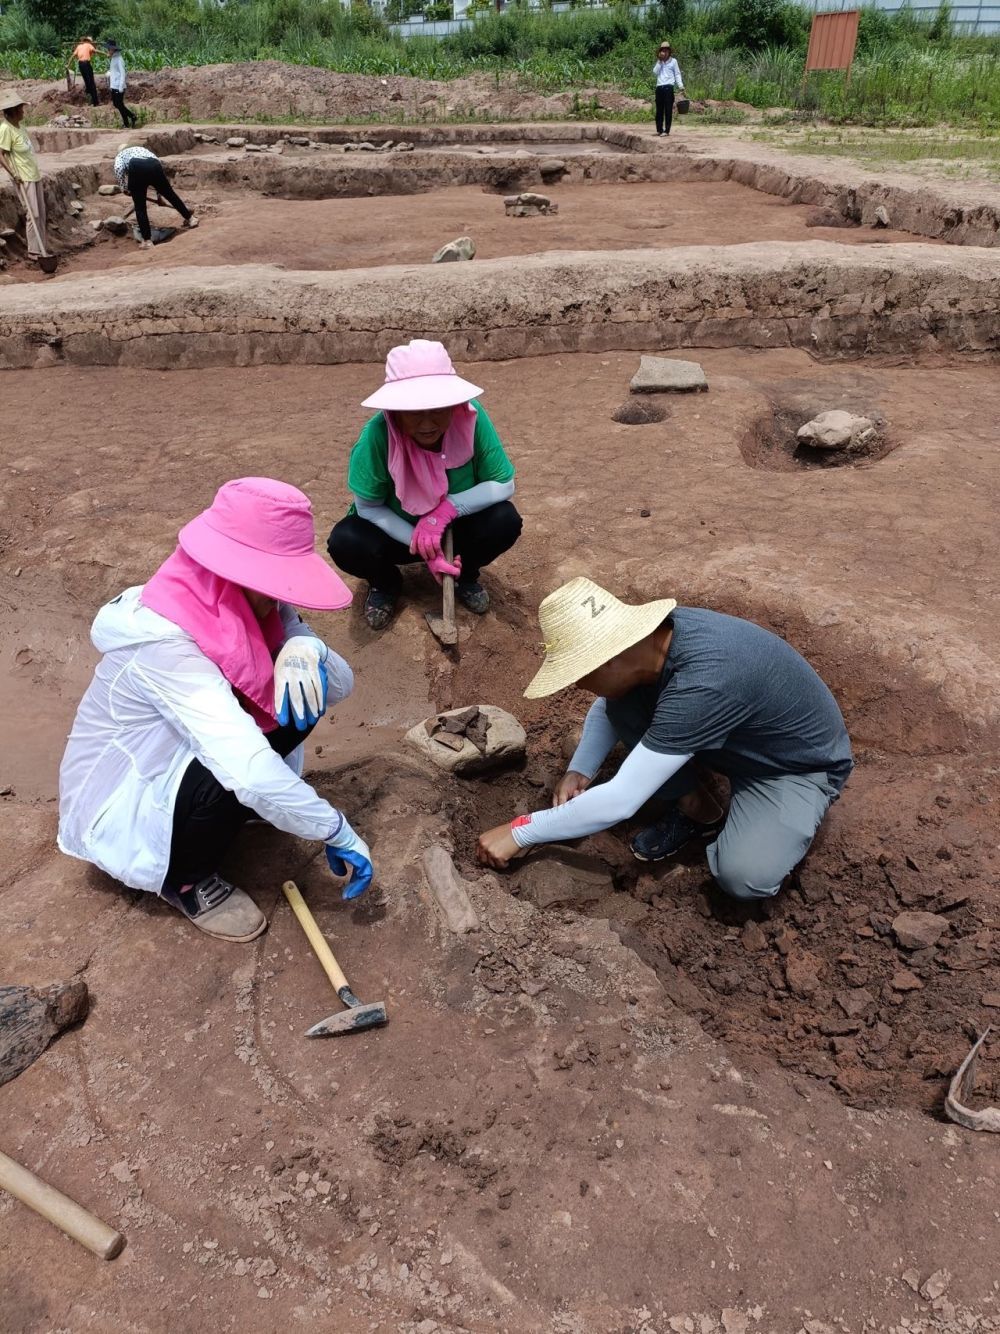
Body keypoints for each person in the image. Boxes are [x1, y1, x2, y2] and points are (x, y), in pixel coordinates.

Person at [58, 477, 375, 944]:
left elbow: (337, 686)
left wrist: (305, 646)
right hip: (132, 791)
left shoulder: (250, 606)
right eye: (269, 581)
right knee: (239, 771)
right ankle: (186, 879)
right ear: (231, 571)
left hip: (191, 754)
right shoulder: (168, 640)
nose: (279, 596)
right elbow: (245, 767)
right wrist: (334, 829)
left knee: (301, 693)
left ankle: (242, 814)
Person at [477, 578, 853, 903]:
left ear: (609, 660)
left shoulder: (705, 681)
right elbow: (608, 705)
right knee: (622, 706)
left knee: (743, 876)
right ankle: (700, 811)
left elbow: (621, 801)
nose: (577, 686)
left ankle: (772, 818)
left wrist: (520, 830)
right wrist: (581, 768)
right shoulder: (655, 641)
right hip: (737, 734)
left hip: (792, 766)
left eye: (580, 675)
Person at [327, 340, 523, 632]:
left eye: (437, 409)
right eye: (415, 411)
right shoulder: (376, 436)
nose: (428, 422)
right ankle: (386, 583)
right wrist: (423, 546)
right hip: (398, 531)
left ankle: (464, 574)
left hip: (457, 527)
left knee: (505, 520)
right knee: (345, 541)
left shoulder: (471, 417)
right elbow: (368, 507)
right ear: (394, 411)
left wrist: (446, 510)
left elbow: (503, 484)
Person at [114, 142, 198, 248]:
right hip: (154, 164)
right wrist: (159, 196)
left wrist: (123, 188)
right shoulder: (143, 150)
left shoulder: (120, 155)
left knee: (140, 207)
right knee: (170, 195)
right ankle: (191, 219)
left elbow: (118, 169)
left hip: (136, 167)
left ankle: (147, 241)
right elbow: (157, 165)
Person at [0, 91, 47, 260]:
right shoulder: (5, 129)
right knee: (32, 214)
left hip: (34, 174)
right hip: (23, 177)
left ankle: (43, 248)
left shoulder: (21, 127)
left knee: (40, 213)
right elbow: (1, 154)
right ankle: (34, 251)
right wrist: (13, 173)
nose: (23, 111)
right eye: (20, 108)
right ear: (12, 110)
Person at [652, 41, 685, 136]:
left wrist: (680, 85)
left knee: (668, 109)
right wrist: (659, 61)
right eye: (663, 50)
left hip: (668, 87)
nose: (664, 52)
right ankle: (659, 129)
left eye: (666, 50)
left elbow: (677, 74)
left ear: (669, 51)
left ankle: (666, 130)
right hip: (659, 87)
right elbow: (655, 72)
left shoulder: (673, 61)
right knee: (659, 110)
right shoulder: (660, 62)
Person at [105, 40, 137, 128]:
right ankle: (127, 121)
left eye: (109, 49)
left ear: (113, 49)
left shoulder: (119, 59)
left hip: (118, 85)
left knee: (119, 104)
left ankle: (131, 117)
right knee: (117, 104)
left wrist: (121, 86)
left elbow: (122, 73)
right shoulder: (114, 58)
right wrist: (109, 73)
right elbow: (115, 71)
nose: (108, 51)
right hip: (114, 85)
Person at [68, 35, 100, 107]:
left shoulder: (79, 46)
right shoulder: (88, 45)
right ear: (88, 41)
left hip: (81, 65)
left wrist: (68, 65)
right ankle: (95, 101)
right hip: (86, 64)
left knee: (88, 82)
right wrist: (105, 54)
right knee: (91, 83)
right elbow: (95, 51)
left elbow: (73, 56)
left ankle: (91, 97)